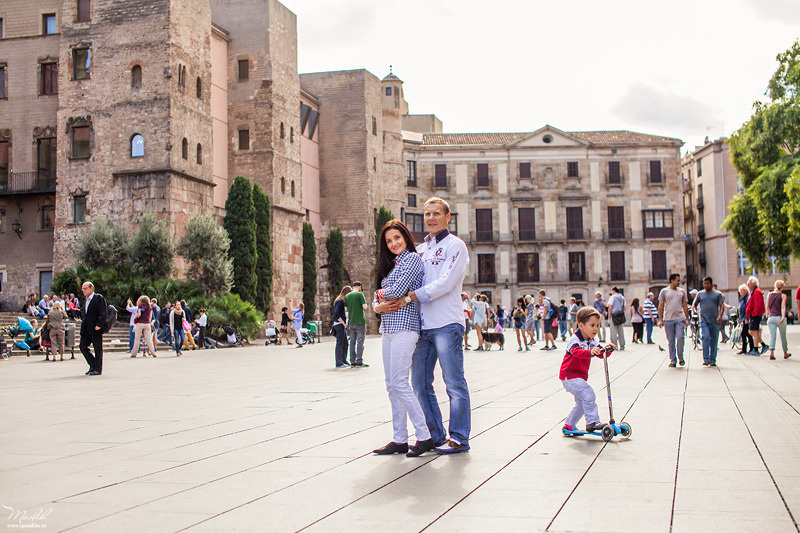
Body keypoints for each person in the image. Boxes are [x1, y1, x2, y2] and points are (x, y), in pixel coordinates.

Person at [388, 197, 471, 454]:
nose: (431, 218)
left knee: (454, 383)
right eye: (427, 214)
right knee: (419, 383)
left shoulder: (456, 246)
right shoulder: (419, 250)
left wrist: (410, 296)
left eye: (436, 213)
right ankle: (435, 436)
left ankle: (458, 437)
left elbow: (445, 284)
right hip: (421, 325)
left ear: (448, 217)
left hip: (447, 323)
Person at [372, 220, 434, 457]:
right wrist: (379, 307)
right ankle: (399, 439)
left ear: (406, 237)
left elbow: (397, 291)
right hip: (389, 328)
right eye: (389, 241)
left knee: (399, 382)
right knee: (391, 386)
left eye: (397, 238)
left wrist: (379, 296)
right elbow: (383, 300)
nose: (393, 243)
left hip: (406, 327)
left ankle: (424, 436)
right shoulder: (394, 264)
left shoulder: (412, 259)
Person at [560, 306, 615, 433]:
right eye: (592, 325)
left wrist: (607, 349)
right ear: (581, 326)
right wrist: (590, 352)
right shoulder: (575, 340)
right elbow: (576, 352)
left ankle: (569, 425)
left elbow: (600, 353)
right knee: (588, 394)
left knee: (582, 403)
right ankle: (592, 422)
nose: (596, 328)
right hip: (569, 376)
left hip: (578, 376)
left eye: (597, 325)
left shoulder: (592, 340)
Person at [658, 274, 690, 367]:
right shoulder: (664, 291)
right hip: (668, 319)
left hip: (679, 318)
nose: (679, 282)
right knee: (671, 341)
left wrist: (687, 318)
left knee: (680, 338)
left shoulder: (682, 292)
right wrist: (660, 319)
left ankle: (680, 357)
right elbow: (661, 305)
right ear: (672, 281)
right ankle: (673, 360)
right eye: (678, 280)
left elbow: (684, 306)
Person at [692, 277, 725, 367]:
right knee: (705, 337)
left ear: (711, 283)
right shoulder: (700, 294)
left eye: (707, 283)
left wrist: (720, 316)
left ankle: (712, 359)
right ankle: (706, 359)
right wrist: (695, 310)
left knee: (714, 341)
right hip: (704, 320)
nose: (706, 285)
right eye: (704, 283)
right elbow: (694, 304)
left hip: (715, 321)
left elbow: (722, 305)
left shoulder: (717, 294)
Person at [79, 281, 107, 375]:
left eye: (85, 288)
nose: (83, 291)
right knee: (82, 346)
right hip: (86, 328)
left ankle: (98, 369)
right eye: (82, 289)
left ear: (91, 288)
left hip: (95, 328)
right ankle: (93, 365)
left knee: (97, 348)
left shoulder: (98, 298)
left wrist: (99, 324)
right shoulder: (86, 300)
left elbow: (103, 312)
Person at [344, 282, 368, 367]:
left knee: (352, 342)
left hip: (351, 322)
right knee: (360, 341)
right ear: (359, 287)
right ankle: (359, 360)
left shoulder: (347, 296)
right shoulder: (360, 294)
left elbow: (346, 309)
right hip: (360, 321)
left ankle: (352, 360)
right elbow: (365, 307)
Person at [767, 280, 791, 360]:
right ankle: (785, 353)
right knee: (783, 336)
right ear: (782, 287)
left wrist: (768, 315)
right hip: (779, 317)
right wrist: (783, 317)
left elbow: (767, 307)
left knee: (772, 335)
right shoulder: (783, 295)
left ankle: (771, 353)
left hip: (771, 318)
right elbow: (783, 307)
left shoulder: (769, 294)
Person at [746, 276, 768, 356]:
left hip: (755, 315)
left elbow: (757, 304)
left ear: (753, 283)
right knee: (752, 332)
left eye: (748, 283)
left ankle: (756, 349)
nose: (747, 284)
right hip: (754, 314)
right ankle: (763, 345)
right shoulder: (753, 292)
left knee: (754, 331)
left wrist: (754, 313)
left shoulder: (757, 292)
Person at [333, 286, 351, 367]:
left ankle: (343, 360)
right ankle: (339, 362)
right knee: (340, 343)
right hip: (339, 325)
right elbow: (336, 314)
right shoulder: (339, 301)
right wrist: (343, 323)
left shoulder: (342, 302)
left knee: (345, 343)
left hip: (342, 325)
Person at [737, 284, 753, 355]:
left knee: (744, 333)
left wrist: (746, 318)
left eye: (742, 290)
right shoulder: (743, 299)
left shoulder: (747, 298)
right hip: (744, 319)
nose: (740, 292)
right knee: (747, 334)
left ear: (746, 291)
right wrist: (740, 319)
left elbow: (748, 308)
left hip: (747, 319)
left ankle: (745, 349)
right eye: (740, 290)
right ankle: (750, 348)